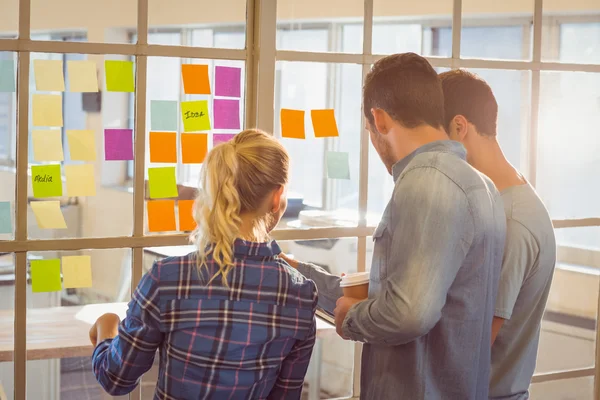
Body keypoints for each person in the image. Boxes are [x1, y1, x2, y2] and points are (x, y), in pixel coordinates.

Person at [283, 52, 506, 399]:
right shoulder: (481, 185)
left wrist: (352, 317)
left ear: (380, 119)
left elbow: (409, 313)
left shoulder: (426, 181)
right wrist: (300, 273)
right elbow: (417, 295)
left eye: (371, 131)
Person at [89, 129, 318, 399]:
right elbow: (285, 395)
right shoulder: (300, 293)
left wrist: (107, 327)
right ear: (277, 197)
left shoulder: (167, 279)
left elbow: (116, 378)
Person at [439, 69, 556, 399]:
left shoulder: (512, 221)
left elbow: (470, 345)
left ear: (460, 128)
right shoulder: (502, 198)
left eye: (435, 140)